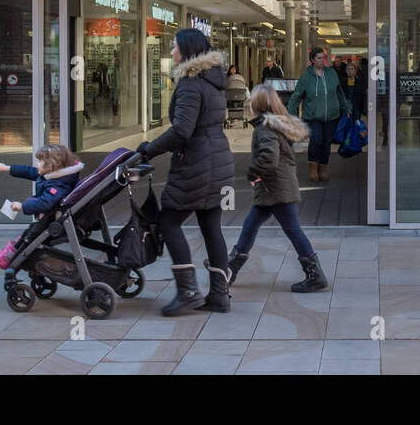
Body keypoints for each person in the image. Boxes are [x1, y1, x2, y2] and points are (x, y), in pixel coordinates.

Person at [136, 28, 234, 315]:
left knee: (168, 222)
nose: (171, 52)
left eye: (174, 46)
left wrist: (148, 149)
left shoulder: (191, 83)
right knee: (211, 228)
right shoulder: (214, 80)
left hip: (196, 164)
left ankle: (188, 291)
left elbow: (182, 130)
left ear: (188, 50)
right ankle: (219, 295)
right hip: (217, 160)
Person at [222, 84, 328, 293]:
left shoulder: (265, 128)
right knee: (250, 226)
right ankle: (230, 267)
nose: (248, 104)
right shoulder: (275, 124)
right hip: (273, 188)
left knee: (293, 230)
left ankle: (316, 275)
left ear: (258, 105)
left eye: (251, 100)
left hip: (277, 189)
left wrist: (253, 171)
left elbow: (269, 157)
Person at [0, 142, 84, 268]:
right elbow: (29, 172)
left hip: (50, 222)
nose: (37, 164)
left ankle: (7, 258)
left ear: (54, 165)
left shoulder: (58, 184)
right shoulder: (55, 175)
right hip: (46, 219)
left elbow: (45, 203)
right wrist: (7, 168)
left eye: (40, 161)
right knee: (28, 235)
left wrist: (22, 207)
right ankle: (8, 255)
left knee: (29, 236)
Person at [287, 47, 349, 182]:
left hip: (331, 116)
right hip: (312, 117)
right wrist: (292, 115)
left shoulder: (331, 73)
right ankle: (313, 168)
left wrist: (346, 107)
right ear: (312, 60)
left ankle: (323, 168)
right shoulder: (306, 77)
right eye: (319, 58)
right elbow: (296, 97)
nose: (322, 61)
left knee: (327, 142)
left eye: (324, 58)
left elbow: (339, 93)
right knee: (316, 141)